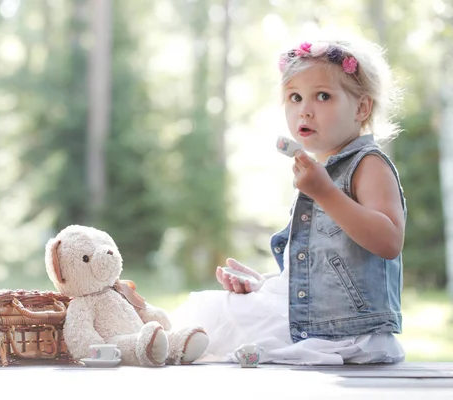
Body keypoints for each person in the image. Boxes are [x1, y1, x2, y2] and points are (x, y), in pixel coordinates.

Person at [171, 34, 407, 365]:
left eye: (322, 96)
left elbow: (389, 240)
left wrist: (325, 193)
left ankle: (246, 348)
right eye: (294, 97)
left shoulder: (368, 164)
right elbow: (327, 262)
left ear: (361, 107)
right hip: (315, 314)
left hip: (349, 326)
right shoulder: (320, 170)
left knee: (214, 316)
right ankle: (156, 332)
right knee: (215, 308)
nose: (305, 111)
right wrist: (267, 284)